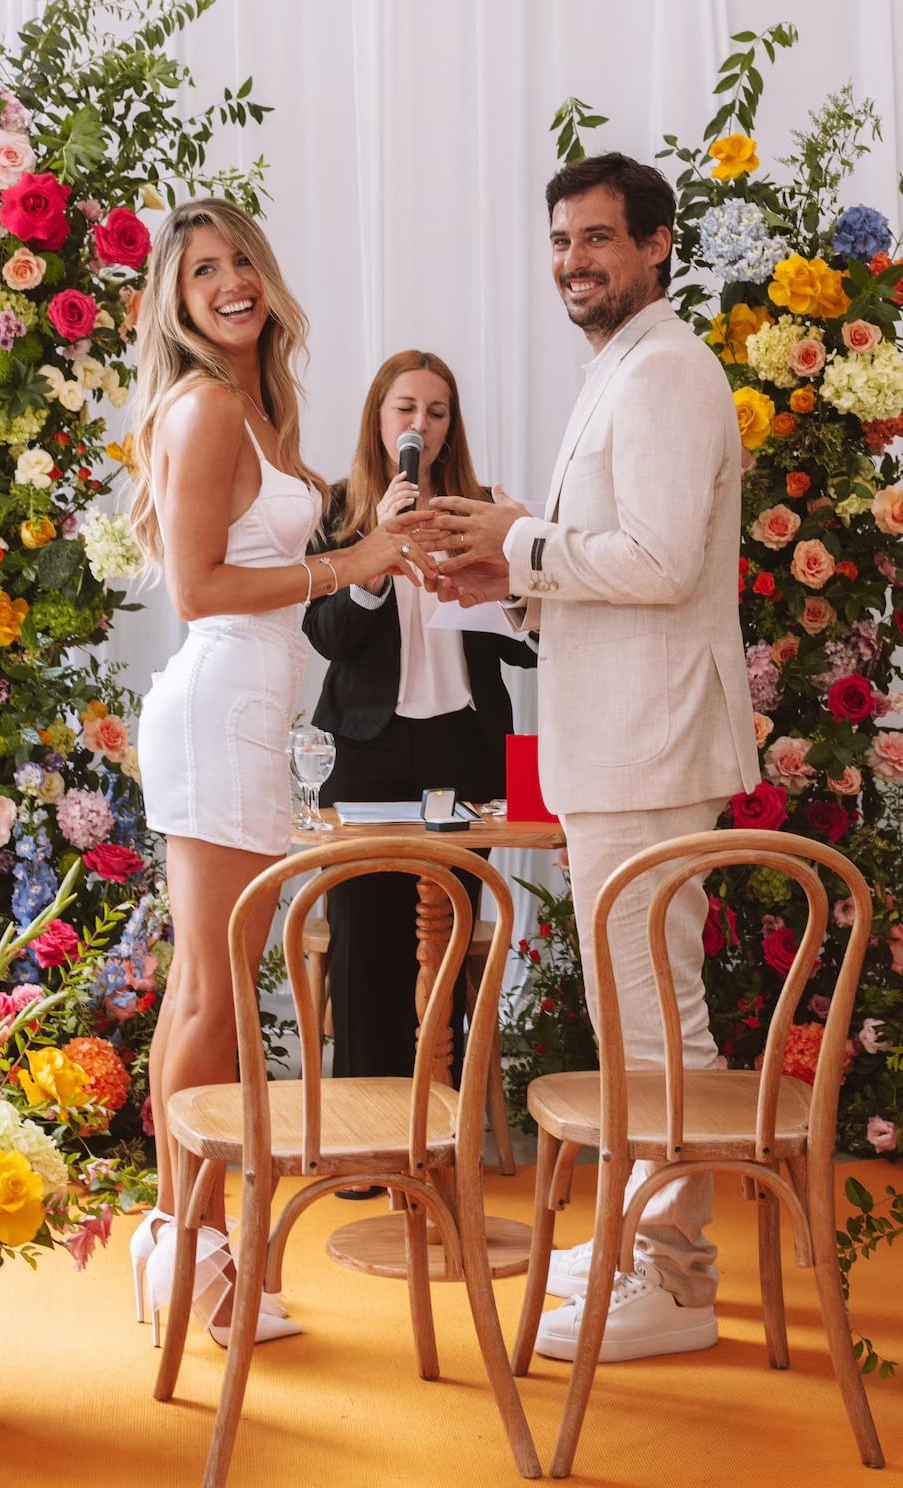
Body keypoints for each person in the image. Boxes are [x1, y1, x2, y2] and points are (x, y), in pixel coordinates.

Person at [427, 154, 760, 1362]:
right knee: (632, 1020)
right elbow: (609, 563)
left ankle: (673, 1281)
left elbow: (664, 563)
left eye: (598, 240)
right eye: (560, 240)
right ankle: (632, 1241)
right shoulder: (619, 368)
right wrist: (503, 573)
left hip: (650, 748)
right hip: (618, 744)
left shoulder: (666, 369)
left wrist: (521, 539)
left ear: (657, 244)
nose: (573, 261)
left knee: (657, 1022)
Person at [128, 200, 436, 1341]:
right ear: (179, 296)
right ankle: (201, 1262)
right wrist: (345, 562)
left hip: (249, 710)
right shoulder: (208, 408)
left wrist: (369, 554)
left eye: (241, 260)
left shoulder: (256, 406)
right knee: (215, 991)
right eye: (203, 269)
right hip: (218, 703)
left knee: (204, 988)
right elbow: (200, 591)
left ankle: (179, 1253)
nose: (230, 281)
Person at [302, 349, 537, 1110]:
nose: (420, 424)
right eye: (406, 409)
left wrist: (511, 571)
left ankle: (443, 1137)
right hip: (364, 753)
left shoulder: (479, 511)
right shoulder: (338, 511)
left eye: (436, 412)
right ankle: (363, 1144)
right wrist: (373, 558)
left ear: (450, 427)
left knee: (443, 944)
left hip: (461, 754)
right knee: (364, 948)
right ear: (380, 418)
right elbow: (329, 639)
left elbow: (527, 647)